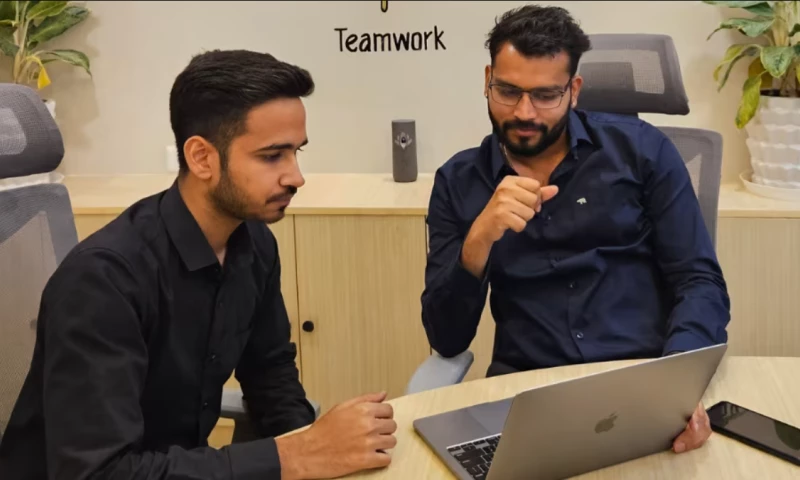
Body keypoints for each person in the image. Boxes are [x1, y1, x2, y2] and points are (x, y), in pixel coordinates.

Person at [0, 50, 396, 480]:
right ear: (202, 158)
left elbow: (270, 374)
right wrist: (295, 455)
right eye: (272, 156)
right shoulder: (103, 281)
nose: (296, 176)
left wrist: (317, 450)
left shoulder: (254, 243)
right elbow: (99, 472)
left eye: (296, 152)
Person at [421, 5, 730, 455]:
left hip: (642, 387)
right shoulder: (458, 181)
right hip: (528, 399)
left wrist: (678, 386)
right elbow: (446, 339)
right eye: (507, 91)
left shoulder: (641, 151)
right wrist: (478, 240)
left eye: (546, 95)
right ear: (487, 80)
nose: (524, 112)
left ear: (574, 90)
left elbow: (699, 282)